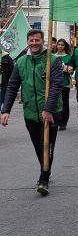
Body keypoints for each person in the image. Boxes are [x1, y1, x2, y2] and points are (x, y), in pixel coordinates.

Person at [1, 29, 63, 196]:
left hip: (51, 112)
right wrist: (5, 110)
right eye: (31, 40)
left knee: (47, 145)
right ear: (27, 42)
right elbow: (12, 86)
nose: (34, 43)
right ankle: (46, 170)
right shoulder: (21, 62)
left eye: (37, 40)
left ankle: (43, 179)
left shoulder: (53, 61)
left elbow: (57, 86)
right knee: (38, 146)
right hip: (30, 112)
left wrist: (48, 109)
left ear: (43, 41)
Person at [55, 38, 72, 131]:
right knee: (56, 102)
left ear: (65, 46)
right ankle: (56, 120)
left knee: (65, 103)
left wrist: (64, 67)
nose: (60, 46)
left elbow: (70, 70)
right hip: (54, 83)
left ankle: (63, 122)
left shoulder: (68, 57)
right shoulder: (53, 56)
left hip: (65, 83)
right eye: (59, 44)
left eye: (62, 45)